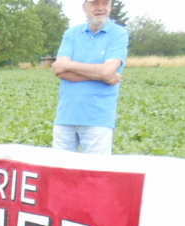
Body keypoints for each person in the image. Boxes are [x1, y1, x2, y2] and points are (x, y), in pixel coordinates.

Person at [51, 0, 129, 156]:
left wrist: (70, 65)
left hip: (98, 120)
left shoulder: (119, 34)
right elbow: (60, 70)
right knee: (60, 173)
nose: (100, 8)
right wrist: (101, 75)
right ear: (84, 7)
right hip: (65, 116)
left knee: (96, 175)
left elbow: (107, 71)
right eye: (95, 3)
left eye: (105, 3)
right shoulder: (71, 33)